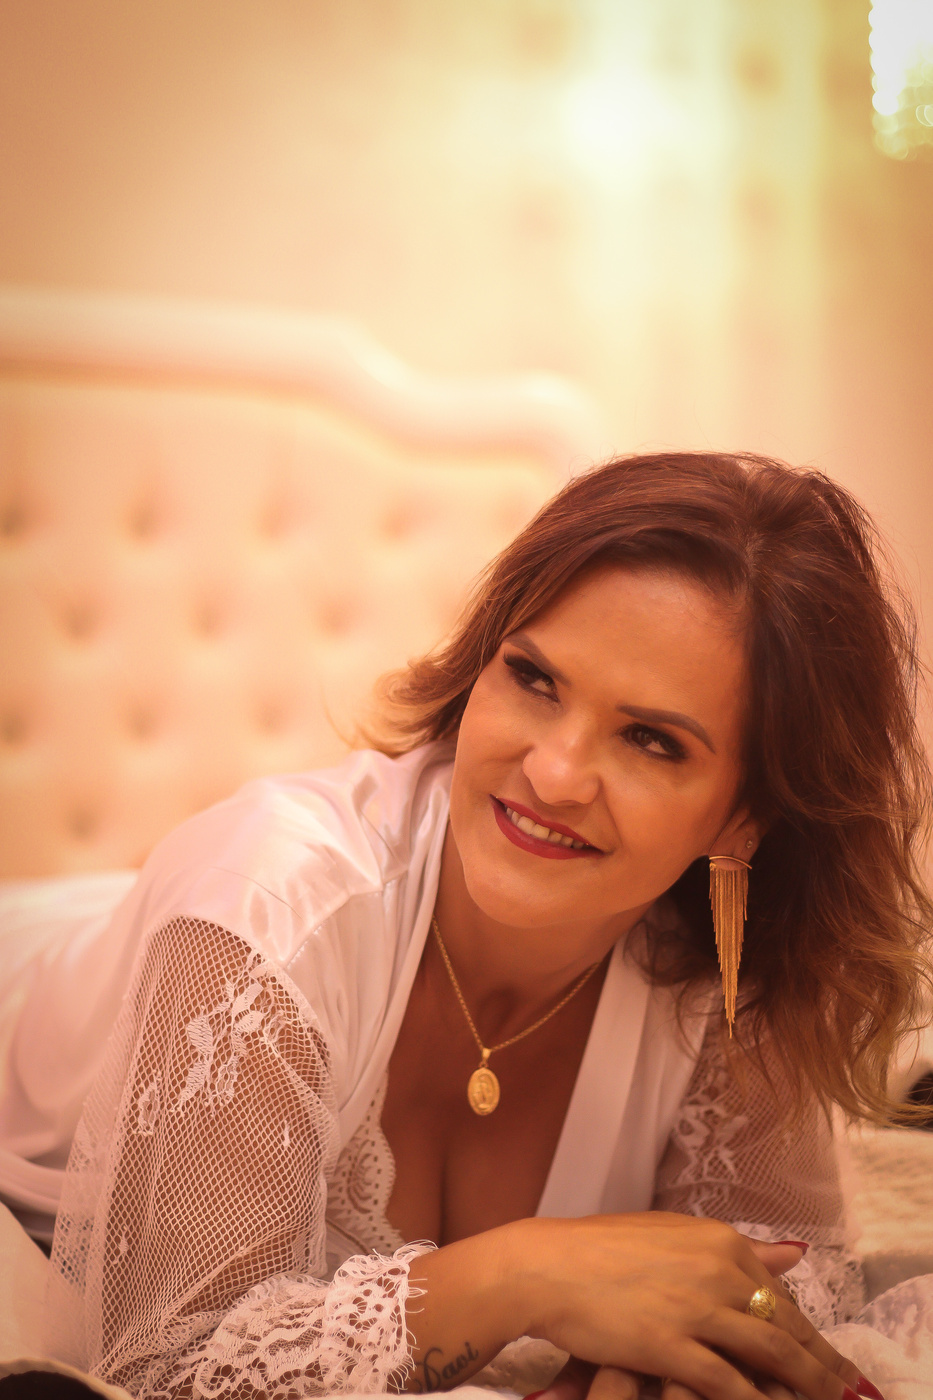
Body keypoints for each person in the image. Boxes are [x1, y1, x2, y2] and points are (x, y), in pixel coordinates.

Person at [4, 452, 931, 1399]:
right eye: (534, 678)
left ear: (746, 817)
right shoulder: (257, 926)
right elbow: (168, 1369)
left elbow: (783, 1273)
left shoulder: (737, 964)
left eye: (650, 740)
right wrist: (531, 1272)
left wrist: (646, 1361)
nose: (553, 775)